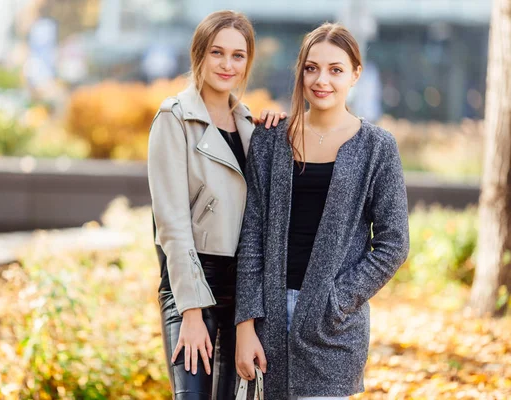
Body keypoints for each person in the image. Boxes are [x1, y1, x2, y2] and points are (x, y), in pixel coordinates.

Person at [234, 22, 410, 400]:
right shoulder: (270, 140)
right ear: (299, 70)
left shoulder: (377, 147)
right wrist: (245, 323)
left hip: (335, 330)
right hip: (268, 321)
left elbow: (394, 243)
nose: (321, 80)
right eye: (311, 68)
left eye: (335, 69)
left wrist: (336, 300)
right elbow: (251, 235)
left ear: (355, 74)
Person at [147, 10, 286, 399]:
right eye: (217, 53)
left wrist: (276, 130)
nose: (227, 65)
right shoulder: (174, 118)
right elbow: (171, 226)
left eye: (238, 56)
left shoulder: (249, 126)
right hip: (192, 283)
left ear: (248, 62)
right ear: (200, 55)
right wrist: (191, 312)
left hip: (242, 289)